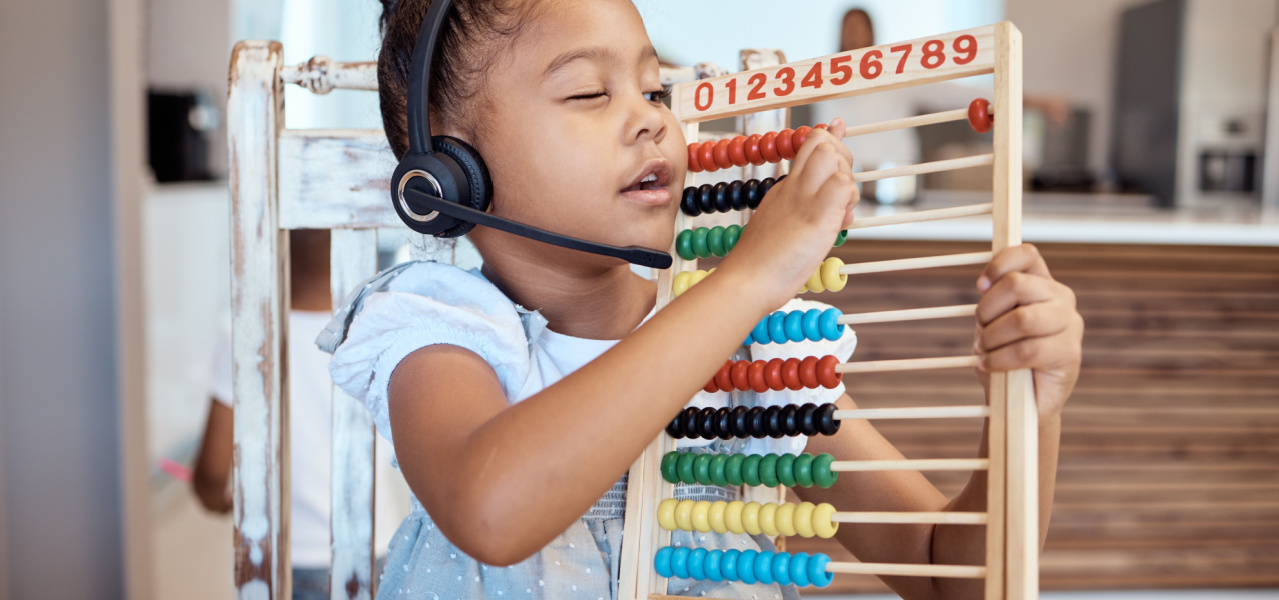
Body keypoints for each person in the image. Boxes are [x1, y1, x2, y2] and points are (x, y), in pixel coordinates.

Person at [325, 1, 1083, 598]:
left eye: (655, 89)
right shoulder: (439, 330)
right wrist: (749, 278)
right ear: (452, 169)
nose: (653, 116)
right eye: (589, 91)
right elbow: (492, 511)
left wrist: (1030, 413)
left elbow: (951, 578)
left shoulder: (756, 351)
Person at [192, 229, 405, 600]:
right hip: (375, 537)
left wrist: (214, 497)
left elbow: (212, 469)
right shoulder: (375, 331)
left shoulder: (247, 336)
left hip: (288, 548)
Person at [812, 9, 1069, 178]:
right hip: (840, 181)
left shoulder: (895, 74)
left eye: (859, 27)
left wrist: (1037, 103)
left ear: (871, 33)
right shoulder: (820, 82)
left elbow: (959, 94)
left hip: (896, 181)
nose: (853, 35)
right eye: (848, 28)